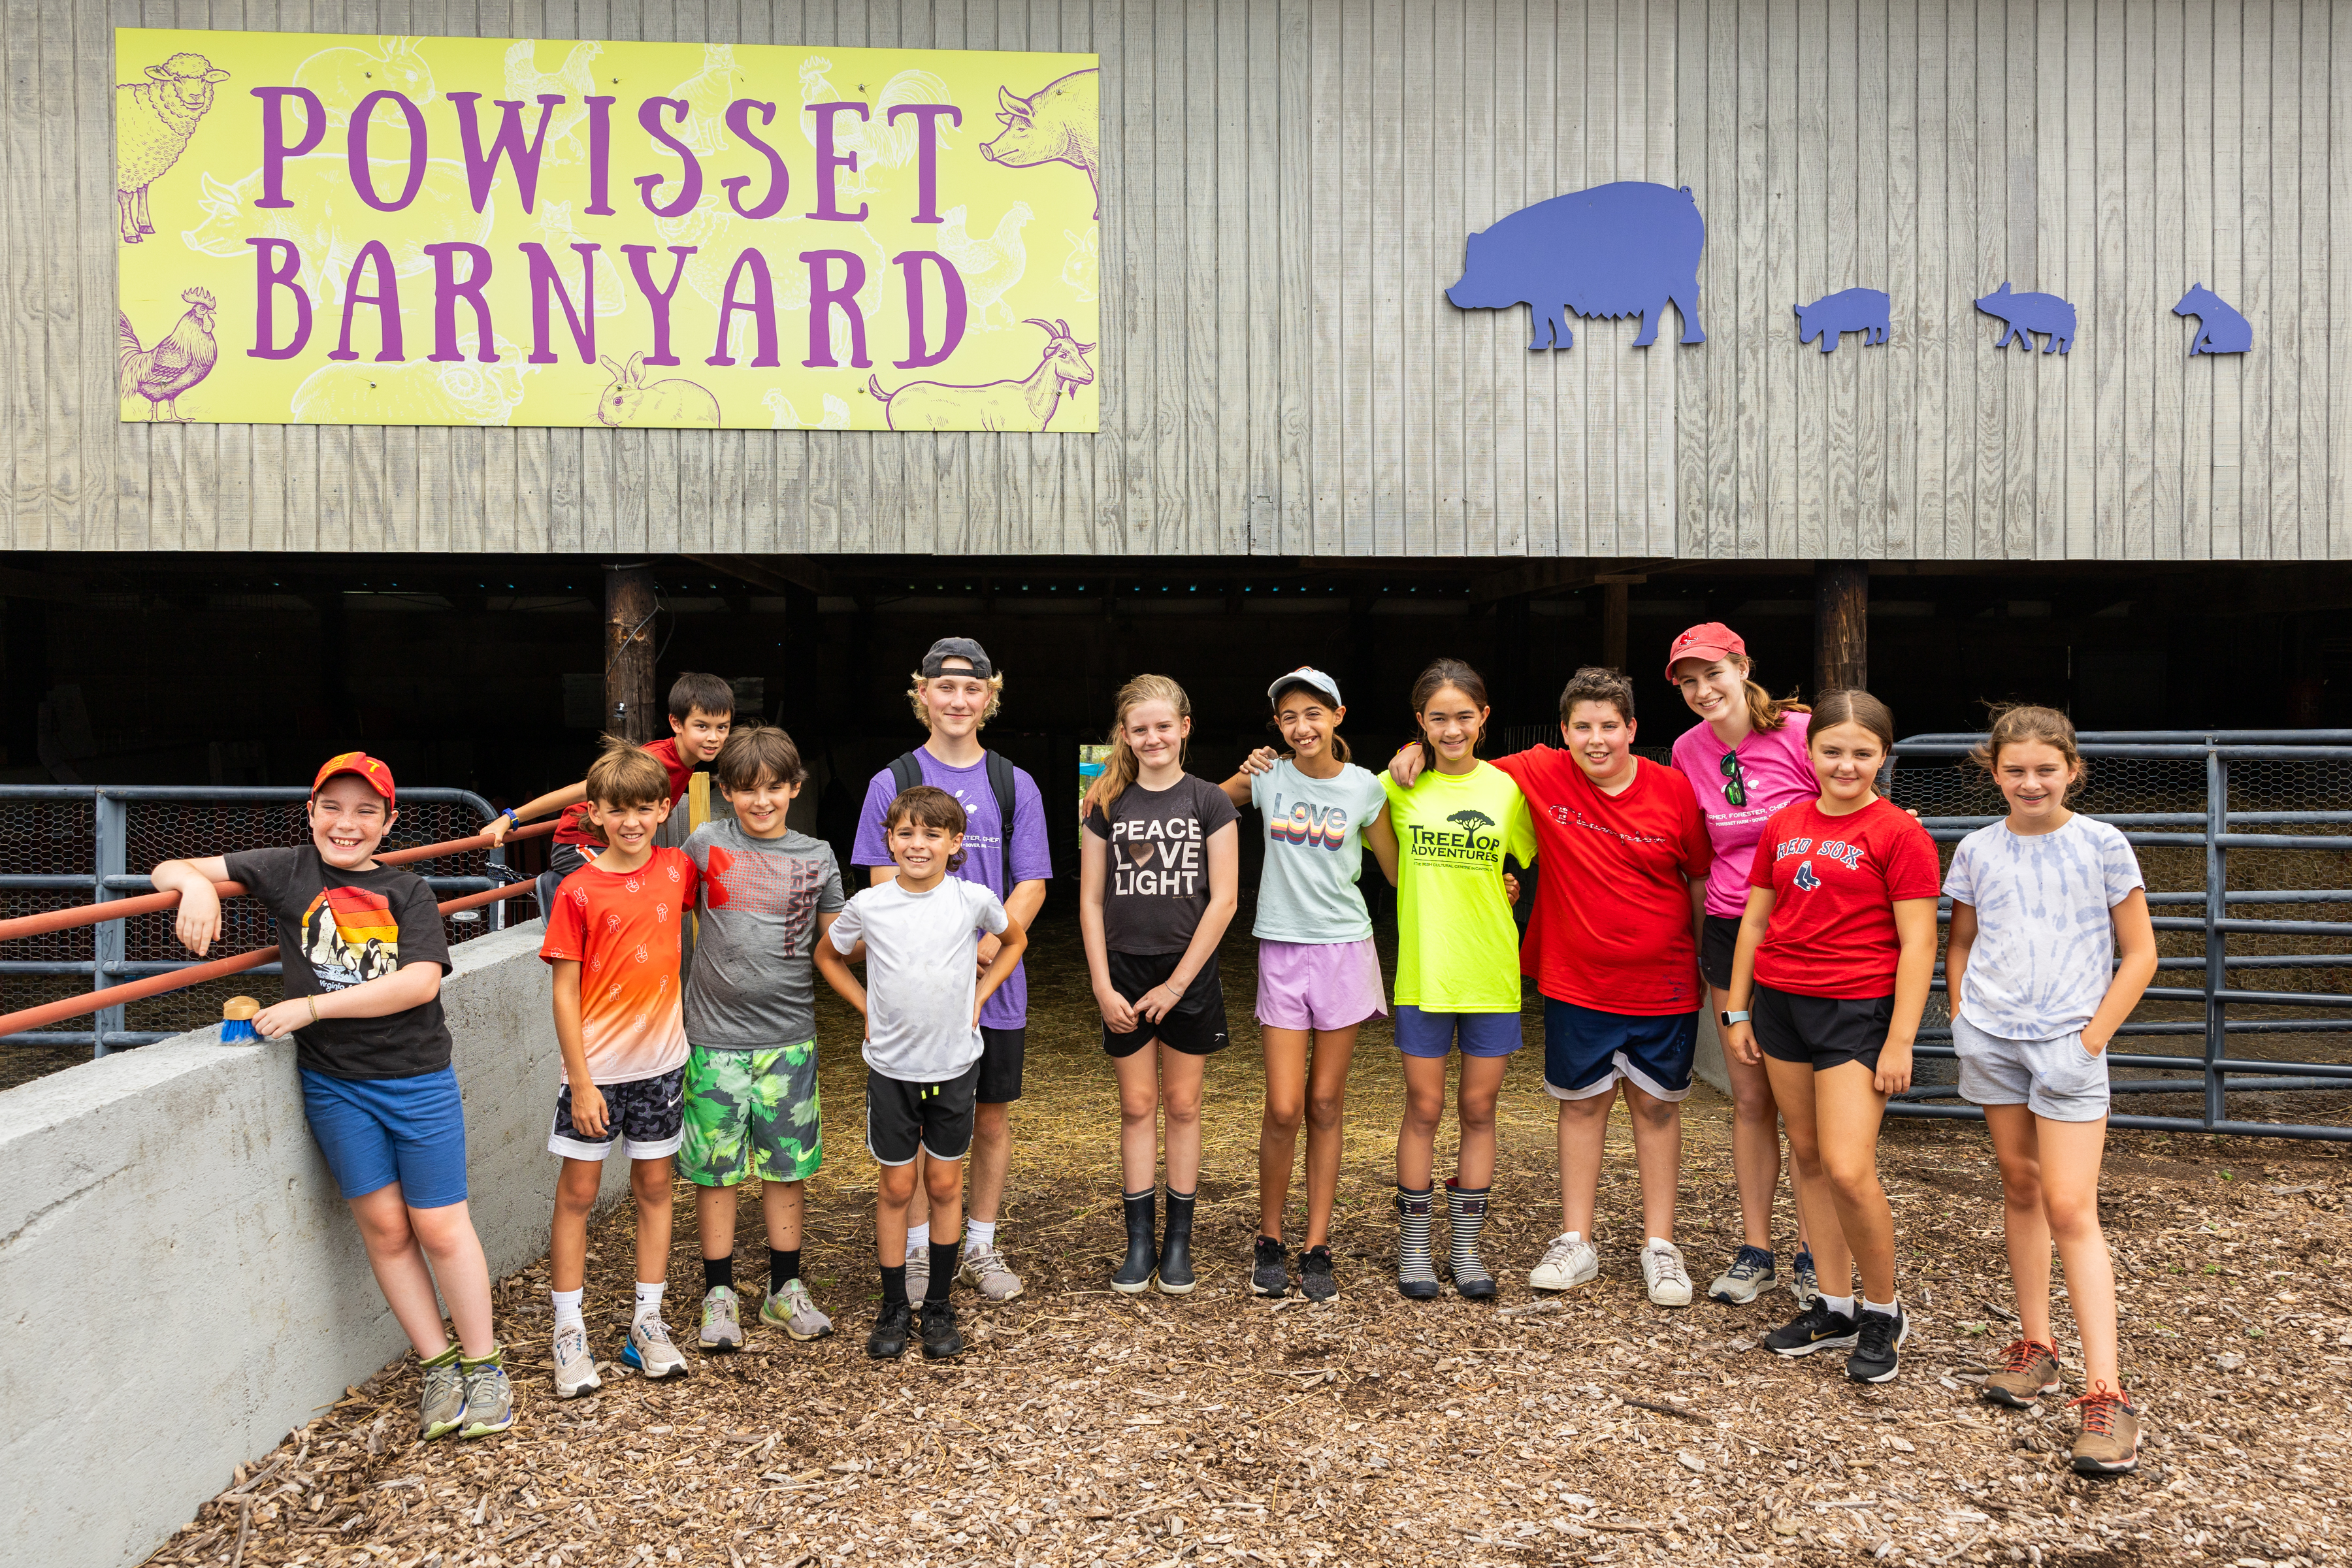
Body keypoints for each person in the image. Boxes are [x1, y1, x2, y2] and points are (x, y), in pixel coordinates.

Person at [154, 752, 512, 1442]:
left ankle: (484, 1362)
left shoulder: (407, 891)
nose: (347, 824)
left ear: (389, 822)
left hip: (415, 1080)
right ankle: (437, 1364)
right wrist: (195, 889)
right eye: (334, 808)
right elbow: (172, 870)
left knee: (440, 1226)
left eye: (365, 811)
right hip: (336, 1087)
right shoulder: (288, 870)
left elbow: (419, 984)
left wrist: (311, 1010)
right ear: (311, 812)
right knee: (384, 1228)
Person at [1399, 668, 1714, 1307]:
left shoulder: (1673, 791)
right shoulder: (1537, 775)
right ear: (1564, 732)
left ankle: (1661, 1246)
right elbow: (1459, 763)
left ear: (1632, 729)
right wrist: (1412, 752)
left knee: (1656, 1109)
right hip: (1577, 980)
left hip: (1663, 982)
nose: (1597, 740)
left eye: (1610, 727)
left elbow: (1700, 881)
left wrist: (1710, 968)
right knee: (1583, 1105)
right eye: (1583, 728)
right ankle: (1576, 1239)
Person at [1943, 706, 2157, 1475]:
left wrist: (2091, 1038)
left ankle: (2110, 1395)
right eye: (2014, 770)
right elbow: (1962, 938)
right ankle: (2037, 1345)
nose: (2030, 782)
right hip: (1994, 1039)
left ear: (2073, 769)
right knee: (2021, 1186)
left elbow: (2140, 954)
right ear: (1994, 772)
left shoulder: (2101, 844)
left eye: (2045, 768)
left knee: (2072, 1205)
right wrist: (1964, 1014)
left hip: (2070, 1042)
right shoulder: (1976, 849)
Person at [1721, 691, 1939, 1384]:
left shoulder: (1900, 834)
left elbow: (1918, 943)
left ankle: (1884, 1309)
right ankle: (1835, 1305)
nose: (1846, 765)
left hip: (1856, 1011)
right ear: (1809, 751)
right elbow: (1756, 920)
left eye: (1862, 753)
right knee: (1808, 1156)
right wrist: (1737, 1008)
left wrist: (1902, 1038)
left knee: (1849, 1166)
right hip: (1784, 1005)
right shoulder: (1785, 820)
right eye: (1832, 751)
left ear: (1884, 756)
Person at [851, 638, 1051, 1305]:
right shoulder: (893, 780)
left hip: (992, 990)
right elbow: (881, 889)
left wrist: (986, 948)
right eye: (945, 688)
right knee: (910, 1132)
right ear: (922, 695)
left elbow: (1033, 883)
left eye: (972, 689)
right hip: (916, 996)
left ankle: (979, 1243)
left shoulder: (1012, 782)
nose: (958, 701)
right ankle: (912, 1251)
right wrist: (953, 949)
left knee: (989, 1118)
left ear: (989, 697)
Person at [815, 786, 1028, 1361]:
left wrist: (982, 995)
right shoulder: (871, 905)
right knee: (896, 1185)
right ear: (889, 838)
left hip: (955, 1066)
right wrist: (866, 1009)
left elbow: (1014, 940)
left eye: (932, 834)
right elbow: (828, 955)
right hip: (891, 1069)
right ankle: (893, 1306)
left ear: (956, 843)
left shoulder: (973, 899)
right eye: (906, 833)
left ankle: (937, 1303)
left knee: (944, 1185)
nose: (917, 844)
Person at [1223, 668, 1398, 1301]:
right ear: (1277, 725)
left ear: (1338, 717)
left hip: (1345, 951)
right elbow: (1205, 807)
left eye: (1313, 714)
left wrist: (1494, 885)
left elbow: (1400, 873)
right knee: (1283, 1106)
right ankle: (1268, 1238)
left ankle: (1316, 1245)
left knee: (1326, 1103)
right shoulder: (1267, 777)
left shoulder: (1365, 789)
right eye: (1289, 716)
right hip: (1282, 949)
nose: (1302, 726)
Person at [1663, 623, 1823, 1307]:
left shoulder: (1800, 731)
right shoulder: (1686, 749)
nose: (1702, 691)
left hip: (1809, 925)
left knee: (1812, 1105)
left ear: (1742, 665)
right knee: (1750, 1094)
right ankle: (1756, 1247)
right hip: (1732, 930)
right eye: (1688, 681)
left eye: (1712, 674)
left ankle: (1820, 1252)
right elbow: (1698, 852)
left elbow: (1854, 809)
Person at [537, 738, 703, 1396]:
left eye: (644, 808)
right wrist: (579, 1080)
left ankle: (647, 1323)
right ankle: (568, 1331)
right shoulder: (576, 891)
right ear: (593, 813)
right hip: (597, 1072)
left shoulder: (677, 870)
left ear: (664, 808)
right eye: (617, 810)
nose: (632, 821)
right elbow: (563, 991)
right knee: (577, 1195)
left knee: (656, 1190)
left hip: (662, 1065)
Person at [678, 725, 846, 1350]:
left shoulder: (817, 855)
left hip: (788, 1037)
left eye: (775, 788)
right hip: (713, 1039)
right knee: (715, 1172)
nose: (762, 801)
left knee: (786, 1168)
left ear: (795, 788)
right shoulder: (703, 845)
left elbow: (837, 945)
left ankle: (785, 1289)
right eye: (747, 790)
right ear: (725, 792)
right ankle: (718, 1294)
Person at [1079, 674, 1241, 1296]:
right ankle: (1139, 1242)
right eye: (1140, 729)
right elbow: (1091, 903)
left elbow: (1223, 901)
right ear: (1125, 735)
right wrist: (1099, 985)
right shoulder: (1106, 806)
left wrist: (1177, 985)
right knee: (1137, 1106)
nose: (1153, 738)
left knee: (1182, 1105)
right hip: (1123, 969)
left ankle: (1178, 1242)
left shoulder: (1209, 802)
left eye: (1163, 727)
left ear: (1184, 729)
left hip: (1187, 973)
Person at [1379, 659, 1535, 1301]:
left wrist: (1511, 886)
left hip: (1491, 970)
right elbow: (1392, 875)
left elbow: (1525, 862)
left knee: (1478, 1108)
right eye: (1437, 718)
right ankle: (1416, 1245)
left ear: (1484, 719)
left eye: (1463, 716)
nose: (1452, 729)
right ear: (1420, 723)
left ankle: (1466, 1248)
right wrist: (1402, 758)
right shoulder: (1397, 789)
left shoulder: (1509, 791)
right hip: (1425, 970)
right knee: (1424, 1107)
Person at [487, 670, 734, 908]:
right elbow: (579, 791)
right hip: (582, 843)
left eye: (722, 727)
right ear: (676, 723)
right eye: (702, 726)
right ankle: (557, 886)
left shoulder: (686, 762)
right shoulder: (654, 761)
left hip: (617, 845)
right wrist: (509, 819)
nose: (714, 737)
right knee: (627, 894)